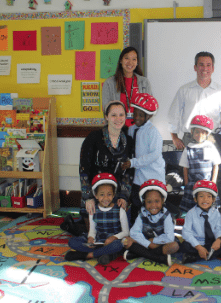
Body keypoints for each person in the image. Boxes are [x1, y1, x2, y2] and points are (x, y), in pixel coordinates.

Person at [70, 100, 133, 235]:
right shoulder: (93, 138)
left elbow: (129, 172)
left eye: (121, 115)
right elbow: (84, 170)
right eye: (113, 115)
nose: (118, 119)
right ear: (106, 117)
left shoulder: (129, 141)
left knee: (118, 233)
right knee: (92, 235)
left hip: (115, 192)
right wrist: (88, 197)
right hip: (95, 192)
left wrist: (124, 196)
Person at [168, 51, 221, 150]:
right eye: (201, 65)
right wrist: (174, 138)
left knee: (213, 166)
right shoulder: (184, 90)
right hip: (189, 139)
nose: (205, 68)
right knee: (187, 165)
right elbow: (173, 114)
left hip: (213, 139)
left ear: (213, 68)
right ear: (195, 67)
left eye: (208, 65)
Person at [65, 173, 129, 265]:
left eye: (109, 194)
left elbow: (126, 232)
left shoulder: (120, 210)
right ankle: (104, 254)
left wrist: (113, 238)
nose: (106, 198)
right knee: (72, 242)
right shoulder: (94, 210)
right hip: (98, 242)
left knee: (119, 245)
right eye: (102, 194)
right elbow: (92, 230)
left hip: (113, 242)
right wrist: (91, 238)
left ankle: (88, 255)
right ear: (96, 195)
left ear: (114, 194)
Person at [121, 93, 165, 223]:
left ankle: (156, 229)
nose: (136, 117)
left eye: (141, 115)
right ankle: (135, 232)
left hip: (153, 177)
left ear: (149, 116)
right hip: (138, 178)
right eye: (135, 113)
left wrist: (132, 162)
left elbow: (154, 155)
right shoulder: (131, 129)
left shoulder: (153, 132)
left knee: (153, 205)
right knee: (136, 204)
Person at [123, 179, 179, 266]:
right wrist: (149, 244)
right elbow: (134, 233)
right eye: (149, 202)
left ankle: (138, 254)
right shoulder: (142, 215)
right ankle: (159, 258)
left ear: (163, 200)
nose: (153, 205)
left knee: (174, 246)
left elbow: (169, 237)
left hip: (161, 243)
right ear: (144, 202)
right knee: (127, 241)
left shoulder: (166, 215)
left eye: (157, 201)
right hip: (146, 242)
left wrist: (154, 241)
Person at [180, 180, 221, 264]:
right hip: (197, 243)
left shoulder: (216, 213)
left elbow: (219, 228)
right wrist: (199, 247)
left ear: (213, 199)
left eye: (209, 196)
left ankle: (193, 257)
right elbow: (186, 233)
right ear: (195, 199)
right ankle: (214, 254)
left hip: (211, 243)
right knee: (184, 245)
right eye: (201, 196)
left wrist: (218, 240)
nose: (205, 199)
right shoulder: (191, 213)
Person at [178, 115, 221, 213]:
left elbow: (216, 165)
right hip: (193, 185)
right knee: (191, 210)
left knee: (209, 208)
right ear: (192, 132)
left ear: (207, 133)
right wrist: (186, 183)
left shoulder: (210, 146)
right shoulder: (188, 148)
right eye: (197, 131)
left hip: (207, 184)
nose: (199, 134)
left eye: (203, 132)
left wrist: (213, 182)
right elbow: (185, 167)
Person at [102, 46, 152, 128]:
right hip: (117, 128)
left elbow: (149, 108)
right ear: (121, 61)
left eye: (134, 59)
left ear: (137, 62)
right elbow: (106, 109)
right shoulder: (109, 83)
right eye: (127, 58)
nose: (130, 62)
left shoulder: (144, 82)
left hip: (139, 128)